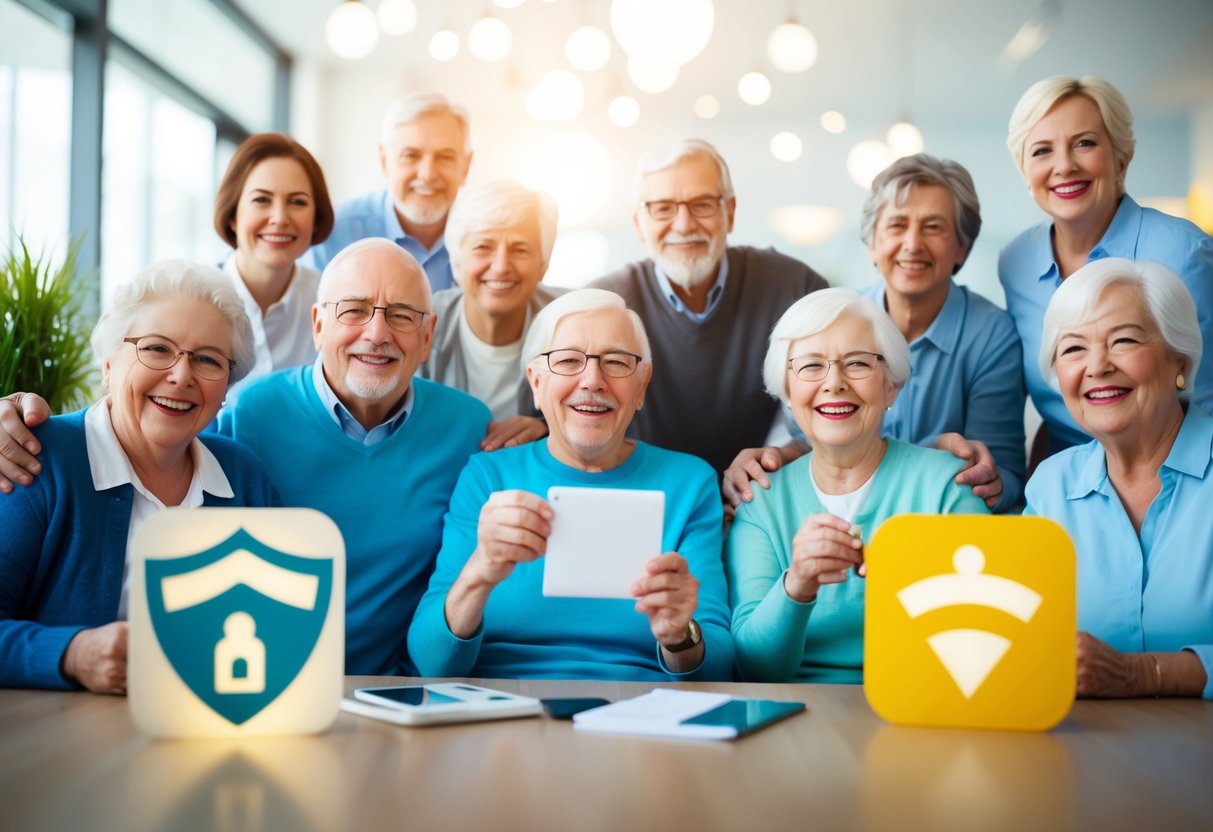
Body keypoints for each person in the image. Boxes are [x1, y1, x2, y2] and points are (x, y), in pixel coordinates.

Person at [408, 289, 734, 680]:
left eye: (616, 362)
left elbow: (719, 667)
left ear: (642, 385)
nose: (593, 381)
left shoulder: (690, 483)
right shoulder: (487, 477)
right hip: (503, 704)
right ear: (536, 382)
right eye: (567, 361)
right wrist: (480, 572)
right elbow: (431, 661)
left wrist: (680, 637)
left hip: (641, 705)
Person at [0, 261, 278, 693]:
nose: (181, 376)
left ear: (226, 388)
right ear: (109, 364)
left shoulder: (244, 477)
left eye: (207, 359)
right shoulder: (35, 456)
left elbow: (278, 629)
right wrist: (71, 654)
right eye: (157, 349)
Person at [216, 238, 491, 675]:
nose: (377, 334)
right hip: (267, 680)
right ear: (318, 325)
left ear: (427, 336)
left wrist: (542, 428)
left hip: (400, 693)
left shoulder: (468, 427)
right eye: (354, 310)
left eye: (401, 315)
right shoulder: (250, 415)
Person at [723, 155, 1025, 513]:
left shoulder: (991, 334)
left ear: (961, 248)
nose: (913, 244)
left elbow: (1004, 475)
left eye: (933, 227)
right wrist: (775, 458)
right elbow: (812, 441)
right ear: (872, 244)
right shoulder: (835, 319)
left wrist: (967, 468)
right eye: (897, 225)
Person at [726, 288, 989, 683]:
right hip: (794, 708)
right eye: (811, 366)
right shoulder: (760, 501)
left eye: (857, 363)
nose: (834, 383)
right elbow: (755, 666)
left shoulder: (948, 487)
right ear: (788, 391)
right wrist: (796, 585)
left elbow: (981, 640)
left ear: (891, 386)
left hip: (918, 703)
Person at [1000, 75, 1213, 463]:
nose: (1064, 166)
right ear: (1024, 170)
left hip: (1173, 474)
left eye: (1084, 143)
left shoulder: (1184, 252)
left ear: (1121, 157)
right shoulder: (1017, 262)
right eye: (1042, 151)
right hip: (1065, 480)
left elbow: (1206, 399)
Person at [1024, 258, 1211, 699]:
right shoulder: (1050, 487)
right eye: (1073, 349)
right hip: (1082, 740)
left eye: (1123, 340)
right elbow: (1022, 633)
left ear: (1179, 360)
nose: (1097, 366)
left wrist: (1147, 674)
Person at [590, 138, 829, 477]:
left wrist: (782, 455)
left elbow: (826, 409)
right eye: (663, 208)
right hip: (638, 490)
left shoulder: (795, 288)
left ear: (729, 213)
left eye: (702, 205)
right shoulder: (602, 305)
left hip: (762, 490)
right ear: (639, 223)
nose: (684, 225)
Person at [422, 179, 563, 452]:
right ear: (456, 263)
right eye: (483, 247)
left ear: (543, 265)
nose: (500, 267)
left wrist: (551, 431)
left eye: (520, 249)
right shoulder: (419, 322)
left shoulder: (572, 322)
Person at [305, 93, 472, 291]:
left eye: (445, 157)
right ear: (384, 161)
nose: (427, 175)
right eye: (411, 156)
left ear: (466, 167)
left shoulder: (482, 236)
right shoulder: (332, 234)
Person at [213, 132, 335, 403]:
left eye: (298, 202)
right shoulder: (194, 301)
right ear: (233, 214)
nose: (279, 218)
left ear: (316, 218)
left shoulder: (333, 303)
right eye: (261, 200)